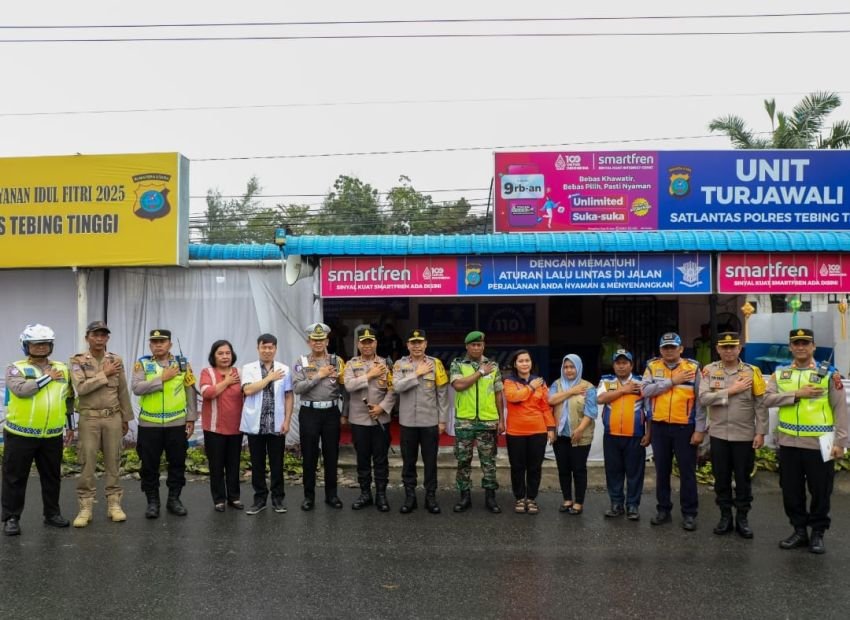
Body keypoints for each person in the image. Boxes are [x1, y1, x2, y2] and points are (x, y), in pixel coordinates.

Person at [763, 328, 849, 554]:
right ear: (790, 347)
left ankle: (818, 532)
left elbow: (840, 409)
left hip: (820, 443)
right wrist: (796, 394)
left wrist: (841, 442)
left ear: (813, 347)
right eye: (796, 343)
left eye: (805, 343)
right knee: (791, 491)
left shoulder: (829, 373)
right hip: (788, 443)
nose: (801, 347)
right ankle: (799, 530)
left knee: (821, 491)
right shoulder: (780, 373)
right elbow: (767, 399)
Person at [2, 324, 74, 536]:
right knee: (15, 478)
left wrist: (70, 426)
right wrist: (47, 377)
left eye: (45, 343)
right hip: (20, 434)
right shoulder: (15, 368)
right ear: (26, 346)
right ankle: (11, 518)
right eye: (35, 344)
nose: (41, 347)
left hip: (52, 435)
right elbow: (21, 390)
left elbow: (68, 398)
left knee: (52, 477)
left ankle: (52, 514)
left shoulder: (63, 368)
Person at [698, 332, 768, 539]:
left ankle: (742, 518)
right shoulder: (709, 370)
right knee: (721, 478)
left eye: (732, 347)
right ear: (718, 349)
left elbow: (760, 404)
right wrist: (731, 390)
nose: (728, 351)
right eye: (724, 347)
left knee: (743, 479)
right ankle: (725, 516)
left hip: (744, 435)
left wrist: (760, 432)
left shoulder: (752, 372)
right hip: (719, 435)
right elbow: (703, 399)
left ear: (739, 349)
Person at [68, 320, 133, 527]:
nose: (99, 339)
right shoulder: (77, 361)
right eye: (95, 335)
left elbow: (122, 390)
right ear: (87, 337)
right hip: (90, 418)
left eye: (103, 335)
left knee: (114, 461)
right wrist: (104, 373)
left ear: (107, 338)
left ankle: (114, 504)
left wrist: (125, 418)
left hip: (113, 417)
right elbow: (81, 388)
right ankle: (85, 507)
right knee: (87, 462)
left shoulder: (116, 360)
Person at [641, 332, 705, 531]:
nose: (669, 351)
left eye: (673, 347)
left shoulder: (693, 368)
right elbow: (645, 391)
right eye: (665, 347)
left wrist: (700, 429)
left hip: (685, 427)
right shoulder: (652, 367)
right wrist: (672, 381)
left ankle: (689, 513)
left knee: (687, 472)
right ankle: (663, 510)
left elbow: (701, 401)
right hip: (660, 427)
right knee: (662, 472)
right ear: (660, 350)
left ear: (681, 349)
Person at [131, 329, 197, 519]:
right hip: (149, 424)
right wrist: (162, 378)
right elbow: (137, 388)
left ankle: (174, 499)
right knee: (149, 465)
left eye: (162, 341)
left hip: (176, 423)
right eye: (154, 342)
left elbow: (190, 390)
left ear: (170, 344)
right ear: (150, 345)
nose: (158, 345)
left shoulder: (182, 364)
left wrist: (191, 418)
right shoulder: (143, 364)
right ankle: (153, 502)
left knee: (177, 463)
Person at [392, 329, 449, 514]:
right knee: (408, 462)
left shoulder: (436, 364)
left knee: (430, 462)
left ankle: (430, 497)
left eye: (420, 342)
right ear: (408, 345)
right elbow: (397, 386)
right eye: (413, 343)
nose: (416, 346)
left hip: (429, 421)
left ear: (425, 344)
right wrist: (417, 373)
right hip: (408, 422)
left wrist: (442, 420)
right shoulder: (400, 364)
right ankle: (410, 497)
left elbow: (442, 394)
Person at [450, 330, 505, 514]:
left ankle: (490, 497)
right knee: (463, 461)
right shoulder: (458, 364)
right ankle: (464, 497)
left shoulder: (493, 366)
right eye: (473, 345)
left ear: (483, 346)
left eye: (479, 345)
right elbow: (459, 385)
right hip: (465, 421)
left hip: (488, 421)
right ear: (467, 346)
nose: (476, 348)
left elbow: (498, 394)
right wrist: (480, 372)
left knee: (488, 462)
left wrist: (501, 420)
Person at [292, 322, 346, 511]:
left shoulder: (337, 361)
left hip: (331, 412)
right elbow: (297, 388)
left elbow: (345, 388)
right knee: (309, 455)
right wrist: (319, 375)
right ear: (309, 342)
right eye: (314, 340)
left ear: (327, 341)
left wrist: (344, 413)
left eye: (321, 339)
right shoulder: (302, 362)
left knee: (331, 455)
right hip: (310, 413)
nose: (318, 343)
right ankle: (309, 497)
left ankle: (332, 495)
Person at [241, 334, 294, 515]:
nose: (267, 351)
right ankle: (260, 499)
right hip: (256, 424)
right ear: (258, 348)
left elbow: (288, 396)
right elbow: (248, 390)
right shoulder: (249, 368)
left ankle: (278, 499)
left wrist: (287, 420)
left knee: (277, 464)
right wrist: (269, 378)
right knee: (257, 464)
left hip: (276, 424)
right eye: (264, 347)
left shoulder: (284, 369)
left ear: (275, 349)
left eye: (271, 347)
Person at [343, 326, 395, 512]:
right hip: (359, 420)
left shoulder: (386, 364)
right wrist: (369, 375)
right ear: (358, 345)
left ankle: (381, 494)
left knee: (381, 459)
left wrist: (382, 408)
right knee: (362, 459)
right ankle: (365, 493)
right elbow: (349, 386)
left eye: (370, 342)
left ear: (376, 343)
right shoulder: (351, 364)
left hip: (381, 419)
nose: (367, 346)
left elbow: (393, 390)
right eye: (363, 343)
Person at [597, 349, 649, 521]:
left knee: (635, 473)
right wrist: (623, 390)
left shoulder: (641, 382)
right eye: (618, 363)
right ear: (613, 365)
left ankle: (633, 505)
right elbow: (600, 399)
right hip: (611, 435)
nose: (621, 366)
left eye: (624, 363)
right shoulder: (606, 381)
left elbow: (649, 410)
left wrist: (649, 433)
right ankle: (616, 504)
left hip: (635, 435)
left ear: (631, 365)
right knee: (613, 472)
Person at [503, 349, 555, 515]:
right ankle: (519, 497)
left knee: (534, 467)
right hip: (515, 432)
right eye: (521, 361)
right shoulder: (509, 381)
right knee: (517, 467)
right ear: (515, 364)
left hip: (538, 430)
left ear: (531, 363)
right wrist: (531, 387)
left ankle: (531, 498)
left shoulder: (540, 382)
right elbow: (513, 397)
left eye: (527, 360)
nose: (524, 364)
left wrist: (551, 427)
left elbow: (545, 407)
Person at [548, 354, 597, 515]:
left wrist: (580, 429)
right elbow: (551, 400)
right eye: (566, 367)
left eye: (572, 367)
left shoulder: (588, 387)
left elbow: (591, 411)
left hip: (580, 435)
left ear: (579, 367)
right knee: (563, 469)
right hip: (560, 435)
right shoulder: (556, 384)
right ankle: (567, 499)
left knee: (578, 469)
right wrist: (572, 391)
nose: (568, 370)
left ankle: (579, 502)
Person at [199, 340, 245, 512]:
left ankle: (234, 497)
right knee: (216, 465)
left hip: (236, 427)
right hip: (214, 428)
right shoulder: (207, 372)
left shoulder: (240, 373)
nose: (225, 356)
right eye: (220, 353)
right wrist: (227, 382)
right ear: (214, 356)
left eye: (227, 353)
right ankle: (219, 499)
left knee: (234, 464)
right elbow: (207, 393)